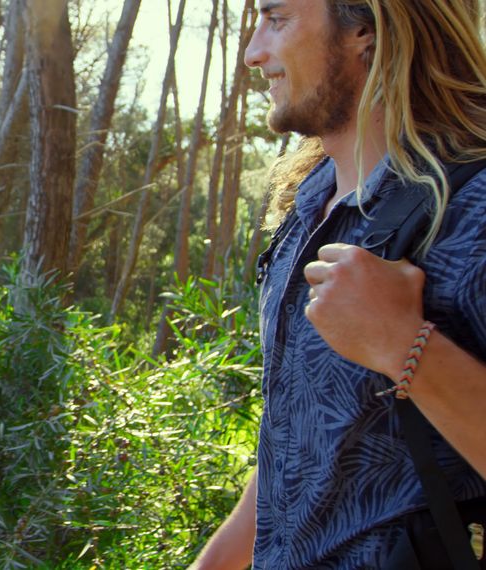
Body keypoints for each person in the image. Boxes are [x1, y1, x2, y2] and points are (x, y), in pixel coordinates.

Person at [191, 0, 486, 567]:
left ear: (365, 31)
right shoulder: (303, 208)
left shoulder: (471, 210)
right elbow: (302, 453)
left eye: (276, 20)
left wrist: (404, 345)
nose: (254, 53)